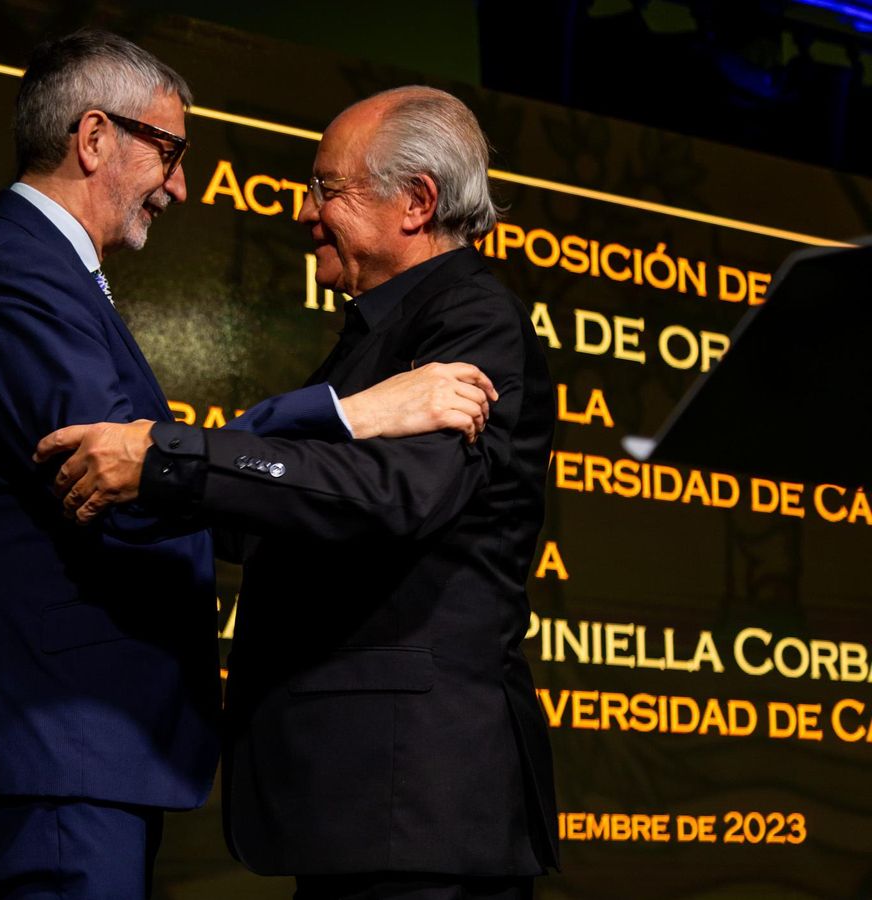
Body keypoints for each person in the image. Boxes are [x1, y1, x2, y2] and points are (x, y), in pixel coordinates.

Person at [0, 30, 500, 899]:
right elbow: (120, 477)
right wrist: (351, 411)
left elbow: (152, 465)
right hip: (58, 736)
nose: (180, 185)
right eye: (171, 150)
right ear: (95, 137)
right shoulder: (18, 273)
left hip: (80, 743)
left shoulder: (48, 274)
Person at [38, 86, 560, 899]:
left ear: (416, 202)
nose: (304, 211)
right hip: (372, 805)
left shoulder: (470, 319)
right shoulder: (375, 338)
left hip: (416, 807)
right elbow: (271, 508)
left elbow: (392, 494)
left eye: (328, 188)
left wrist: (168, 461)